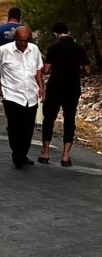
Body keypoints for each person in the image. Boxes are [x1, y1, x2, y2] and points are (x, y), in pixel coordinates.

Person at [0, 26, 44, 168]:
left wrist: (41, 87)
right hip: (12, 95)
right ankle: (17, 153)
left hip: (30, 94)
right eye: (20, 41)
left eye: (26, 41)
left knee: (28, 128)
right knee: (15, 126)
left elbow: (38, 69)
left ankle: (23, 153)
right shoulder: (4, 51)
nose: (23, 44)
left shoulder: (34, 50)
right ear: (15, 39)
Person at [39, 22, 91, 167]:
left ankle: (45, 153)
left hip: (56, 87)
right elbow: (87, 71)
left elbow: (47, 69)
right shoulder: (78, 48)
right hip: (72, 88)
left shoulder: (53, 48)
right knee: (69, 120)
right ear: (68, 31)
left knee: (49, 119)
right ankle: (65, 156)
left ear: (55, 34)